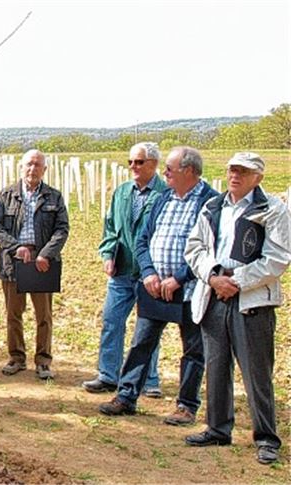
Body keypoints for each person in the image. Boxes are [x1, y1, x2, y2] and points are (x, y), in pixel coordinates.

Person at [184, 152, 290, 465]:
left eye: (243, 171)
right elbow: (195, 248)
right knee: (216, 366)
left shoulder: (273, 209)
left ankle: (266, 437)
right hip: (214, 295)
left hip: (252, 301)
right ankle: (218, 428)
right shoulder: (212, 206)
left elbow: (278, 258)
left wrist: (237, 281)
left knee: (257, 372)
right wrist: (215, 276)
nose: (235, 175)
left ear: (258, 177)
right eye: (232, 169)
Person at [98, 146, 216, 427]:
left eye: (170, 169)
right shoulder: (165, 199)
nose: (165, 173)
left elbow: (210, 248)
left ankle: (186, 406)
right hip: (153, 287)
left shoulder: (210, 203)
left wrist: (178, 278)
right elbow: (143, 240)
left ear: (188, 171)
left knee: (192, 349)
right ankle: (126, 396)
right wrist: (149, 273)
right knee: (142, 343)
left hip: (189, 289)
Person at [83, 142, 166, 397]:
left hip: (150, 273)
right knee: (111, 321)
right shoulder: (121, 192)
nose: (133, 166)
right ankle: (108, 375)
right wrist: (108, 254)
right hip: (121, 270)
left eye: (139, 162)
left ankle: (148, 380)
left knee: (147, 328)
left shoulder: (166, 194)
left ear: (153, 164)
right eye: (130, 161)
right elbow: (110, 227)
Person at [0, 149, 69, 380]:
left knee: (43, 314)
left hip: (42, 262)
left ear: (44, 169)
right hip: (13, 261)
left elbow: (62, 228)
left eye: (37, 165)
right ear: (21, 167)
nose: (32, 169)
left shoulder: (54, 196)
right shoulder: (6, 195)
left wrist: (46, 254)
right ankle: (16, 358)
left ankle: (43, 361)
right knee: (13, 313)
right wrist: (16, 247)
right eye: (28, 164)